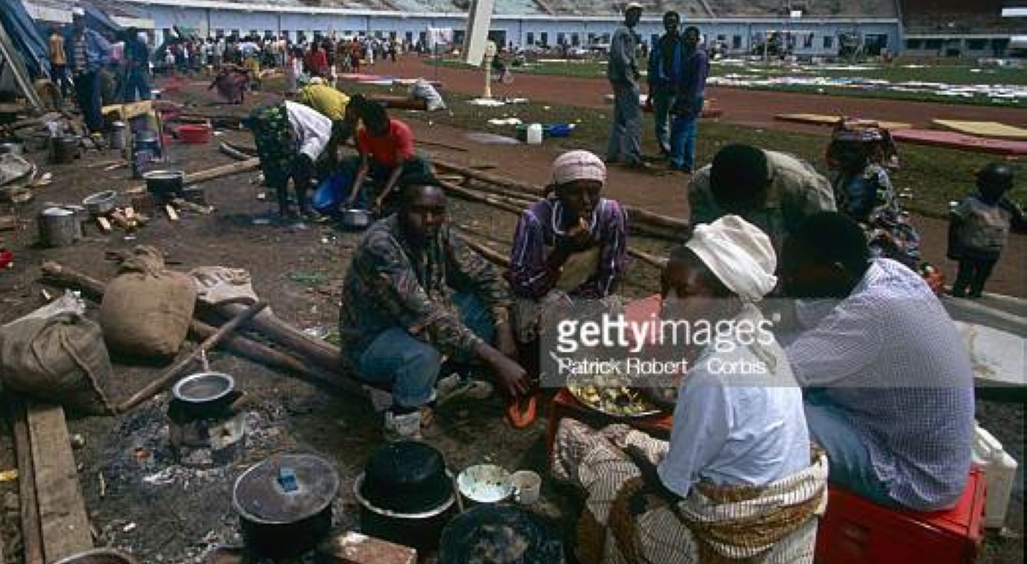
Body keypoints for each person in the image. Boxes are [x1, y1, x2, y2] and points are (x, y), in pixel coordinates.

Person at [552, 215, 826, 564]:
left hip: (728, 538)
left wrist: (634, 455)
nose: (665, 303)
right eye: (664, 287)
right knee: (627, 439)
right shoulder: (759, 337)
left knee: (585, 443)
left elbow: (671, 485)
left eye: (683, 292)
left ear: (726, 300)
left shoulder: (712, 374)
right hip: (773, 506)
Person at [781, 212, 974, 510]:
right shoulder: (887, 271)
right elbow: (811, 316)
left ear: (835, 270)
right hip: (908, 442)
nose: (786, 278)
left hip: (910, 475)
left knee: (764, 412)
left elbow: (775, 374)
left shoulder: (873, 311)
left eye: (793, 271)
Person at [339, 173, 530, 440]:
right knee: (424, 352)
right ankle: (403, 420)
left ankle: (449, 378)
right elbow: (427, 317)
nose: (428, 220)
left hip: (415, 324)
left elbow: (484, 276)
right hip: (371, 342)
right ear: (400, 209)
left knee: (484, 309)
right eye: (419, 211)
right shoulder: (380, 246)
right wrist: (497, 358)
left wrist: (504, 329)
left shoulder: (439, 233)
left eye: (437, 212)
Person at [507, 151, 629, 375]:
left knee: (613, 309)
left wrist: (582, 310)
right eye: (575, 193)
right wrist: (562, 251)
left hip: (587, 294)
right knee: (549, 316)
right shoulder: (535, 219)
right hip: (542, 296)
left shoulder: (611, 214)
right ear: (558, 191)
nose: (585, 201)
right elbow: (524, 285)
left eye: (593, 192)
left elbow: (610, 275)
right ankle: (540, 374)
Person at [689, 144, 835, 250]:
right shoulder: (702, 183)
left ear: (767, 187)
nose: (740, 214)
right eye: (730, 207)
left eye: (744, 207)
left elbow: (825, 239)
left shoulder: (802, 185)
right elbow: (701, 236)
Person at [826, 120, 921, 266]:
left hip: (876, 232)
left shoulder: (874, 175)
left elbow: (866, 213)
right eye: (843, 149)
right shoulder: (840, 173)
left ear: (867, 150)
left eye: (853, 150)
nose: (846, 154)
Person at [243, 100, 333, 221]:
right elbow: (304, 162)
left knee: (276, 162)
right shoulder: (323, 136)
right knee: (288, 164)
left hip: (265, 111)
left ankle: (284, 209)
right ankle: (303, 208)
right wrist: (304, 188)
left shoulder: (324, 122)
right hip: (277, 117)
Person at [341, 97, 430, 215]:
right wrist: (353, 194)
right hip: (381, 166)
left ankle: (398, 199)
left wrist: (381, 197)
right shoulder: (364, 133)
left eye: (374, 129)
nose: (372, 133)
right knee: (348, 162)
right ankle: (359, 199)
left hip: (401, 171)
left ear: (383, 122)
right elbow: (364, 167)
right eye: (369, 129)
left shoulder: (400, 131)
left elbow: (399, 168)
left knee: (421, 164)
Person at [949, 162, 1024, 298]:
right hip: (970, 248)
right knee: (965, 275)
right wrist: (953, 247)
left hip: (992, 251)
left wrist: (1020, 215)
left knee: (982, 276)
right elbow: (955, 224)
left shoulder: (1007, 206)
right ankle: (959, 291)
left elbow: (1021, 226)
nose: (989, 188)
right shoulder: (971, 202)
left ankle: (975, 291)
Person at [605, 3, 647, 169]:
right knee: (634, 118)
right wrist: (630, 73)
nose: (637, 19)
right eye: (635, 15)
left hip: (621, 78)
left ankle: (613, 152)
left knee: (620, 118)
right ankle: (631, 155)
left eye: (639, 16)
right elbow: (619, 55)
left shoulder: (628, 32)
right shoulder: (622, 32)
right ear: (628, 15)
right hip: (625, 79)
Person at [64, 9, 113, 133]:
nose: (77, 22)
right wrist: (70, 68)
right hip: (78, 75)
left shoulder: (92, 35)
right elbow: (68, 54)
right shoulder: (70, 38)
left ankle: (97, 129)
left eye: (79, 19)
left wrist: (99, 63)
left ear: (84, 21)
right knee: (83, 102)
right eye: (75, 19)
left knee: (94, 102)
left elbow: (109, 50)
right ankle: (89, 128)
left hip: (91, 73)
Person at [669, 26, 709, 173]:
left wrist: (688, 102)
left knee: (679, 130)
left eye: (691, 37)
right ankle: (688, 162)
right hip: (686, 96)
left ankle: (676, 161)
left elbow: (697, 82)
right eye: (686, 37)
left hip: (691, 98)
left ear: (697, 39)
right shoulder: (690, 55)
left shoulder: (699, 57)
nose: (687, 40)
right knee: (690, 131)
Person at [647, 10, 684, 157]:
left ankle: (676, 150)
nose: (670, 24)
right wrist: (650, 93)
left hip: (676, 88)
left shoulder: (682, 43)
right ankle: (665, 149)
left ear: (678, 23)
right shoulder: (659, 43)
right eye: (668, 21)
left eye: (673, 21)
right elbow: (652, 66)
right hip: (659, 86)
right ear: (664, 23)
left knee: (676, 121)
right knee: (660, 122)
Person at [48, 27, 68, 96]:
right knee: (63, 78)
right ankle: (64, 94)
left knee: (54, 79)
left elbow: (52, 52)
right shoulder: (62, 38)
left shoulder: (51, 39)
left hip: (55, 61)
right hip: (63, 61)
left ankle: (55, 94)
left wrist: (50, 57)